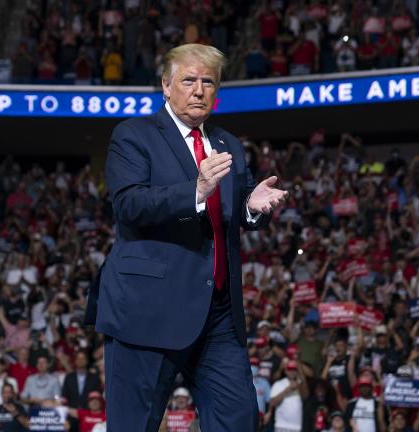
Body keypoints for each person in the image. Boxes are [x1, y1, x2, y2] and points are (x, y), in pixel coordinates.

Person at [87, 43, 287, 431]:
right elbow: (129, 205)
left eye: (208, 82)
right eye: (189, 80)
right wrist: (195, 190)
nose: (199, 90)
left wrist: (251, 208)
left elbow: (234, 214)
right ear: (166, 85)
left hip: (218, 315)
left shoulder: (228, 144)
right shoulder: (133, 136)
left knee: (239, 420)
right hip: (148, 311)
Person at [268, 359, 309, 432]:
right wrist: (288, 390)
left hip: (297, 426)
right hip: (281, 425)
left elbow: (305, 396)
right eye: (290, 370)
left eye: (294, 370)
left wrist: (300, 375)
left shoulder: (301, 383)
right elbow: (272, 403)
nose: (292, 372)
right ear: (286, 371)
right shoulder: (278, 384)